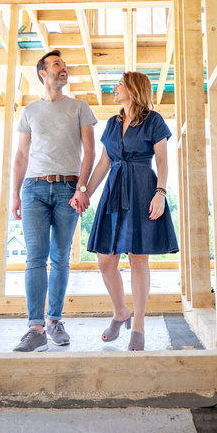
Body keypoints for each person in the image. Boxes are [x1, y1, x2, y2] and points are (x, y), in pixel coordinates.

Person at [80, 71, 178, 351]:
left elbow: (162, 161)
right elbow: (103, 164)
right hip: (113, 192)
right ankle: (121, 311)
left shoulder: (153, 121)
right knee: (105, 260)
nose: (115, 87)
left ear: (133, 90)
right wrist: (84, 191)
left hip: (143, 190)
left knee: (138, 259)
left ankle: (139, 326)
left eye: (120, 84)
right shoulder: (112, 123)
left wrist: (160, 193)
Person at [11, 50, 97, 352]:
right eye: (57, 65)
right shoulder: (30, 111)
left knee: (60, 257)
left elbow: (90, 151)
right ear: (43, 74)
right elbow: (21, 155)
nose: (64, 68)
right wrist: (15, 194)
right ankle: (35, 329)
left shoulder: (79, 107)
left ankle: (54, 321)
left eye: (64, 64)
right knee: (35, 257)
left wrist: (82, 188)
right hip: (33, 189)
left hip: (68, 189)